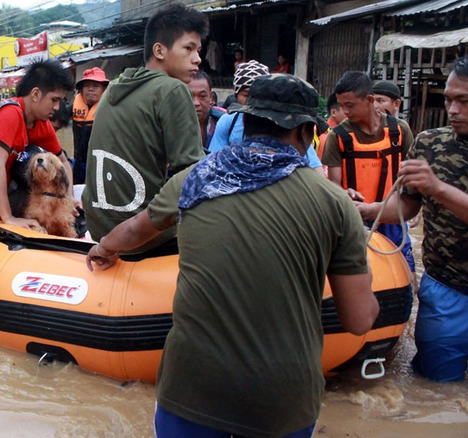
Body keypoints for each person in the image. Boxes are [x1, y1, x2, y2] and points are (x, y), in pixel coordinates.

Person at [87, 74, 379, 437]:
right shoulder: (335, 203)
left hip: (190, 394)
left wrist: (102, 248)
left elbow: (133, 230)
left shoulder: (192, 180)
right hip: (283, 404)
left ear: (244, 121)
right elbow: (359, 321)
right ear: (306, 133)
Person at [357, 57, 468, 383]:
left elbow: (434, 192)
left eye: (464, 100)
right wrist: (364, 211)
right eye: (448, 99)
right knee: (437, 384)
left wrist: (438, 188)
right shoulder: (429, 144)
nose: (453, 109)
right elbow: (407, 208)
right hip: (446, 289)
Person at [81, 3, 208, 253]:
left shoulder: (115, 88)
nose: (198, 58)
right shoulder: (173, 90)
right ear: (159, 50)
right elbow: (192, 175)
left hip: (97, 226)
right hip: (139, 237)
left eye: (199, 50)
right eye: (188, 48)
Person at [0, 59, 76, 230]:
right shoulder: (9, 113)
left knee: (52, 196)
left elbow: (63, 163)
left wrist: (68, 200)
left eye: (60, 101)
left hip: (8, 187)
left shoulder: (42, 122)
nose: (57, 107)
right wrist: (8, 218)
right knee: (43, 200)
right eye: (54, 100)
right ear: (35, 94)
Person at [322, 71, 416, 272]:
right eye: (341, 105)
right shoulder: (336, 137)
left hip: (392, 216)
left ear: (370, 100)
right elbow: (334, 184)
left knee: (403, 270)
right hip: (356, 218)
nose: (345, 111)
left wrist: (414, 207)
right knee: (362, 272)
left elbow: (412, 174)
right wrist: (344, 195)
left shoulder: (399, 131)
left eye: (350, 105)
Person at [209, 61, 325, 175]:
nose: (252, 103)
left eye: (259, 98)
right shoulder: (228, 122)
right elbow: (213, 162)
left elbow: (315, 167)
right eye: (246, 95)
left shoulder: (287, 125)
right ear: (236, 95)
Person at [70, 67, 109, 184]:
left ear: (104, 89)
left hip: (101, 164)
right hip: (79, 163)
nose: (91, 89)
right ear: (81, 90)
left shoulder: (111, 110)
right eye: (87, 86)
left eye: (96, 86)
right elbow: (54, 121)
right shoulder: (73, 108)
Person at [188, 70, 225, 151]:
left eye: (202, 96)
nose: (196, 103)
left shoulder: (224, 121)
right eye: (190, 96)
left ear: (211, 97)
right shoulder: (173, 122)